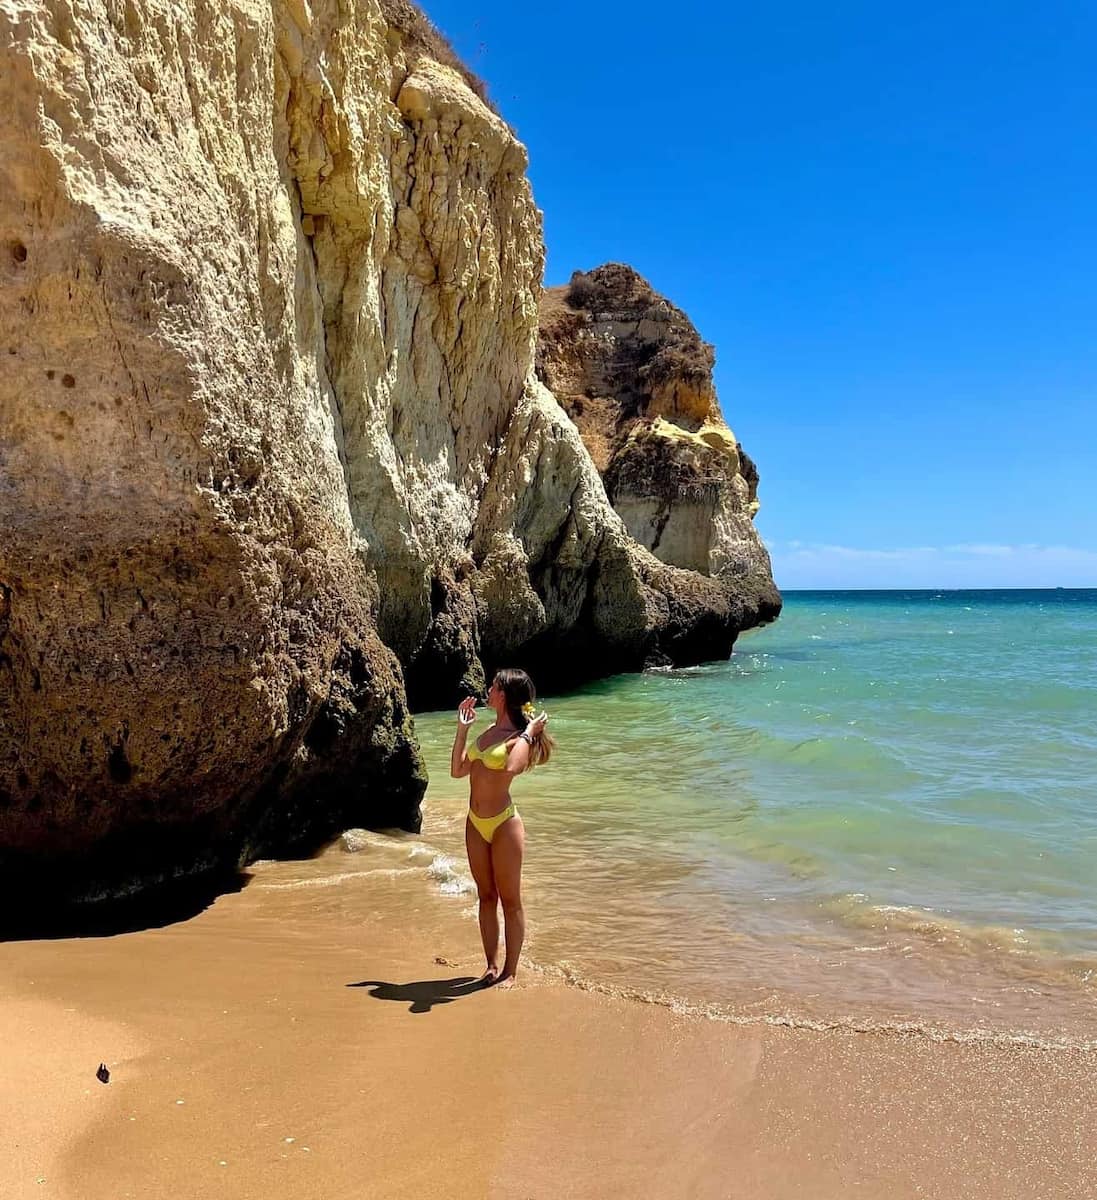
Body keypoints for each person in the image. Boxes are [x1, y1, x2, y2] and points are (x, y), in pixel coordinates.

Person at [450, 668, 553, 987]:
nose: (488, 689)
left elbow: (513, 766)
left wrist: (529, 733)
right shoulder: (485, 734)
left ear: (503, 695)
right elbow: (457, 771)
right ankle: (492, 966)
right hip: (475, 823)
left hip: (504, 825)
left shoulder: (515, 740)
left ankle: (511, 971)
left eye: (493, 686)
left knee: (510, 900)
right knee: (485, 895)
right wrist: (463, 730)